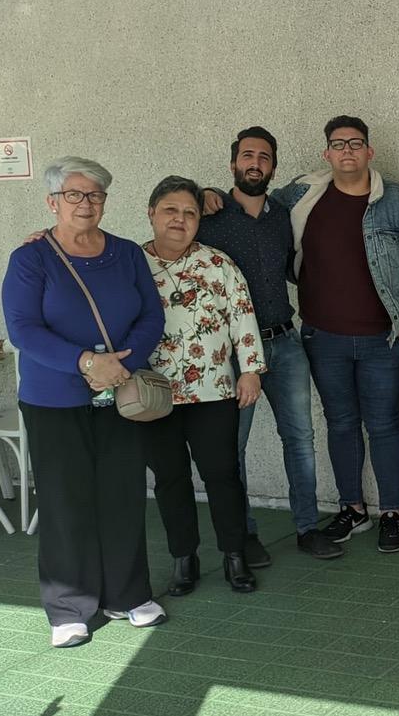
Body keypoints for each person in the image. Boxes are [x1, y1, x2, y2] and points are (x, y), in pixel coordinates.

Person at [204, 115, 399, 553]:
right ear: (326, 154)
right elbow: (246, 198)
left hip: (384, 339)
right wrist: (203, 192)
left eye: (356, 143)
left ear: (369, 152)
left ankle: (392, 514)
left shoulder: (398, 200)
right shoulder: (302, 194)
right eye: (338, 144)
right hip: (323, 338)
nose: (347, 150)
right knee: (341, 424)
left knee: (383, 425)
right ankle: (353, 508)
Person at [2, 157, 167, 647]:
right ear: (53, 202)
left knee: (122, 495)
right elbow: (23, 330)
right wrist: (84, 363)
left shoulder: (126, 254)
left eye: (95, 195)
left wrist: (118, 365)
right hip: (53, 398)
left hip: (119, 395)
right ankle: (68, 607)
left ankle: (127, 594)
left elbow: (151, 316)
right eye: (74, 194)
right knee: (65, 501)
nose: (85, 203)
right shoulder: (30, 258)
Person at [197, 126, 342, 562]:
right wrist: (199, 190)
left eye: (263, 157)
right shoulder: (209, 218)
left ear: (272, 167)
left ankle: (306, 528)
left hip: (286, 343)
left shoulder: (283, 213)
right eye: (247, 155)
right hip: (232, 354)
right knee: (233, 447)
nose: (254, 163)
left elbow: (320, 185)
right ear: (233, 165)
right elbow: (169, 219)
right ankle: (244, 534)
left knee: (300, 438)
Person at [141, 175, 266, 596]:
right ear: (152, 214)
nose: (180, 219)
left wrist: (250, 369)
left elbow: (242, 317)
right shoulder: (129, 263)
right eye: (171, 211)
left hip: (213, 390)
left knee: (222, 474)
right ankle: (184, 558)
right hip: (153, 393)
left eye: (189, 212)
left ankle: (234, 554)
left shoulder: (218, 264)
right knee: (170, 478)